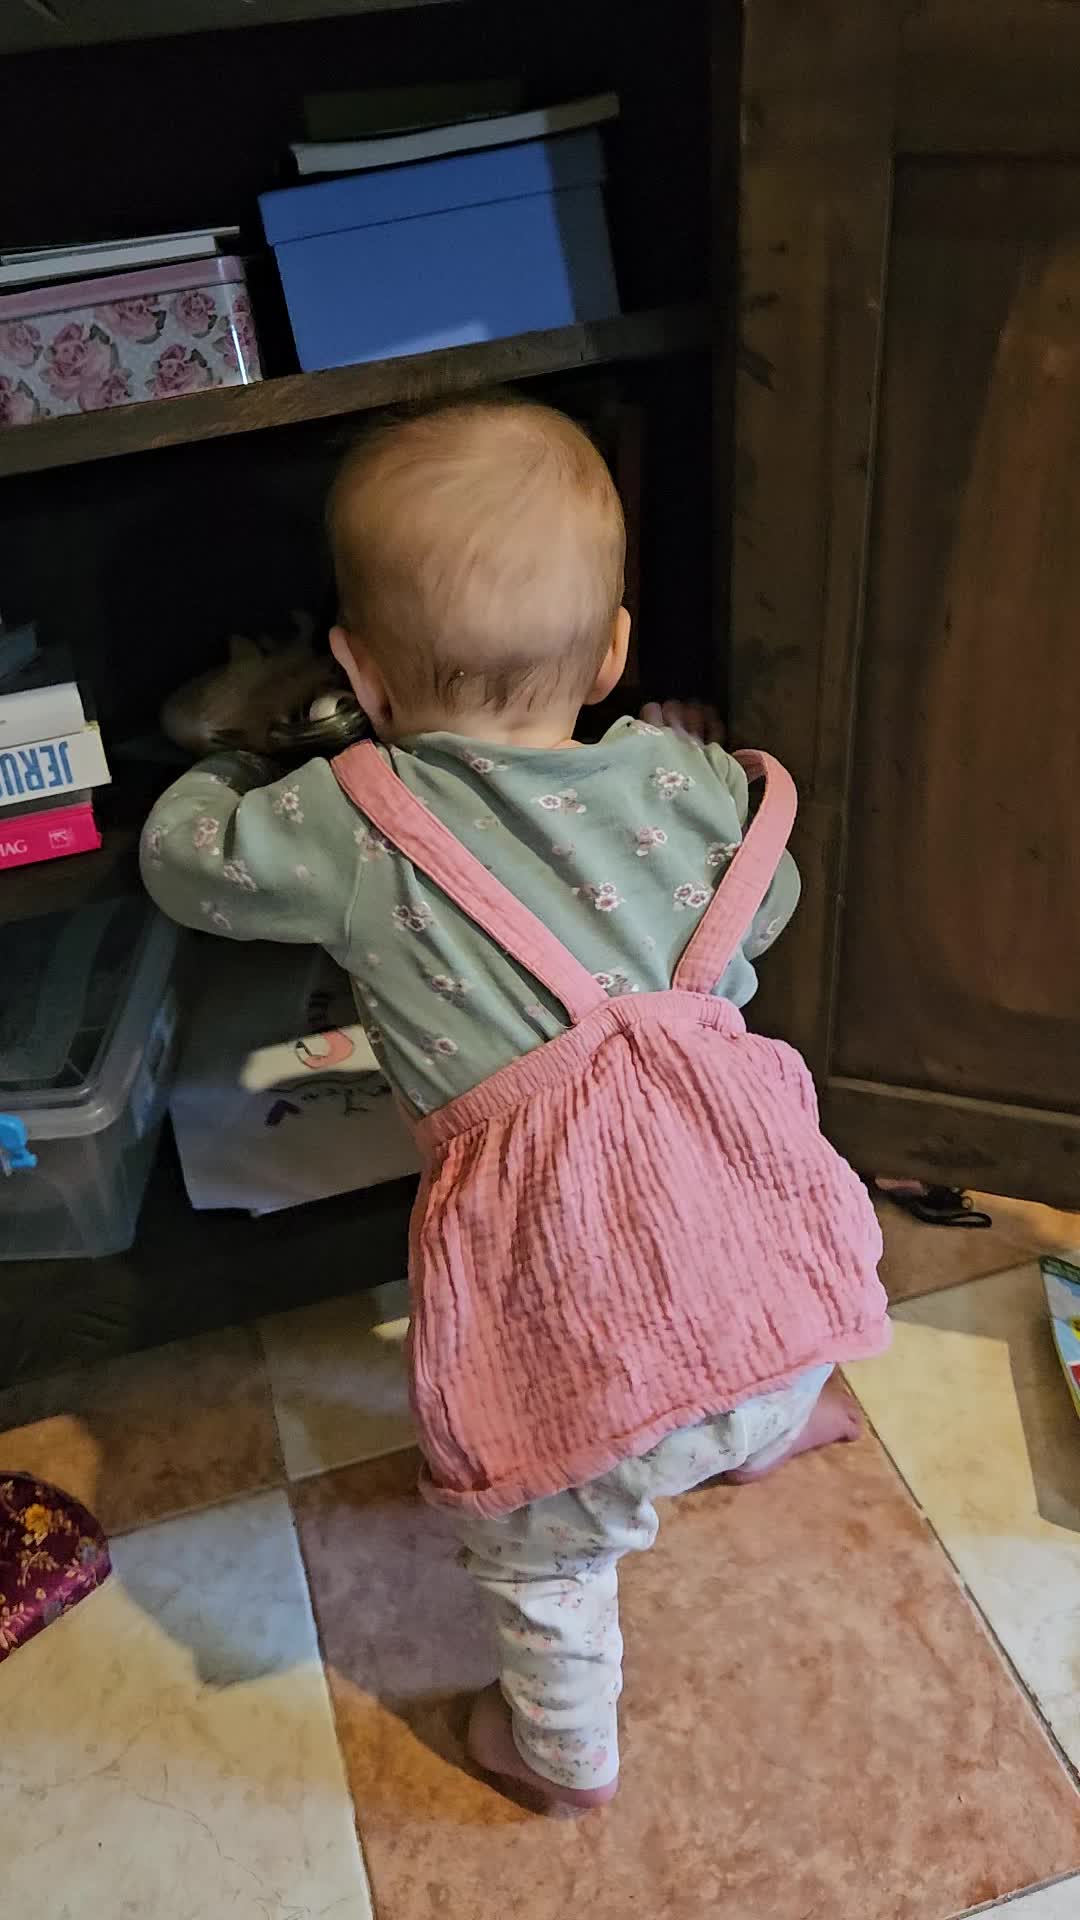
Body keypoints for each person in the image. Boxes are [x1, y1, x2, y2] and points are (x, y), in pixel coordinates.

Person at [141, 396, 888, 1812]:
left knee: (548, 1547)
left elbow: (188, 866)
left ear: (355, 672)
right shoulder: (682, 778)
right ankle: (769, 1427)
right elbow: (769, 900)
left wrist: (232, 761)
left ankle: (557, 1750)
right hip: (770, 1277)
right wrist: (681, 773)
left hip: (584, 1332)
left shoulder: (347, 816)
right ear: (612, 653)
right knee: (748, 1311)